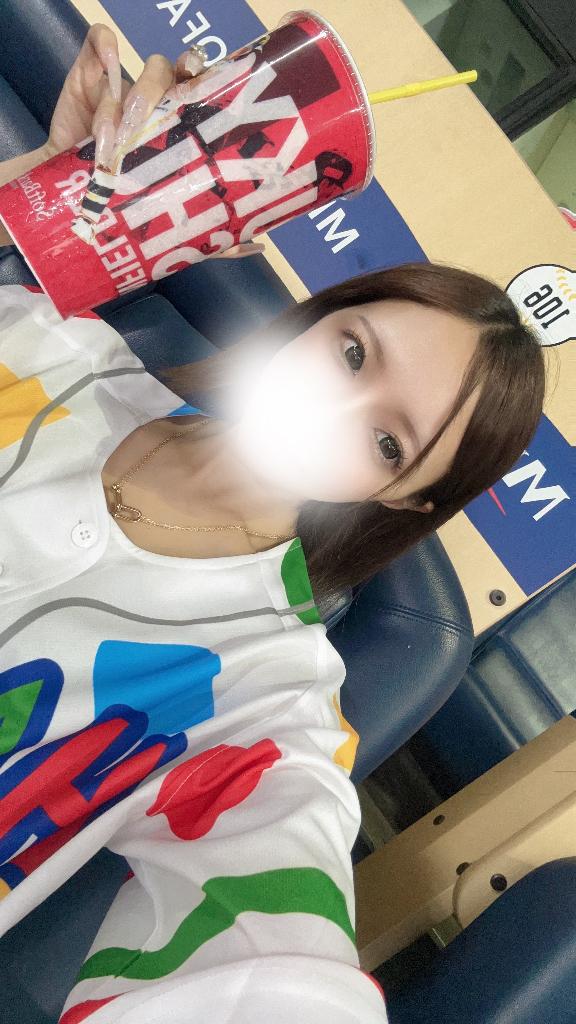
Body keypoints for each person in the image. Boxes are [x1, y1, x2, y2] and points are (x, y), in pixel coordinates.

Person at [0, 23, 546, 1024]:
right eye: (352, 353)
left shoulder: (266, 702)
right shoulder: (52, 350)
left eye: (387, 441)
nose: (337, 406)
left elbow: (279, 957)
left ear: (406, 498)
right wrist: (45, 197)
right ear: (316, 319)